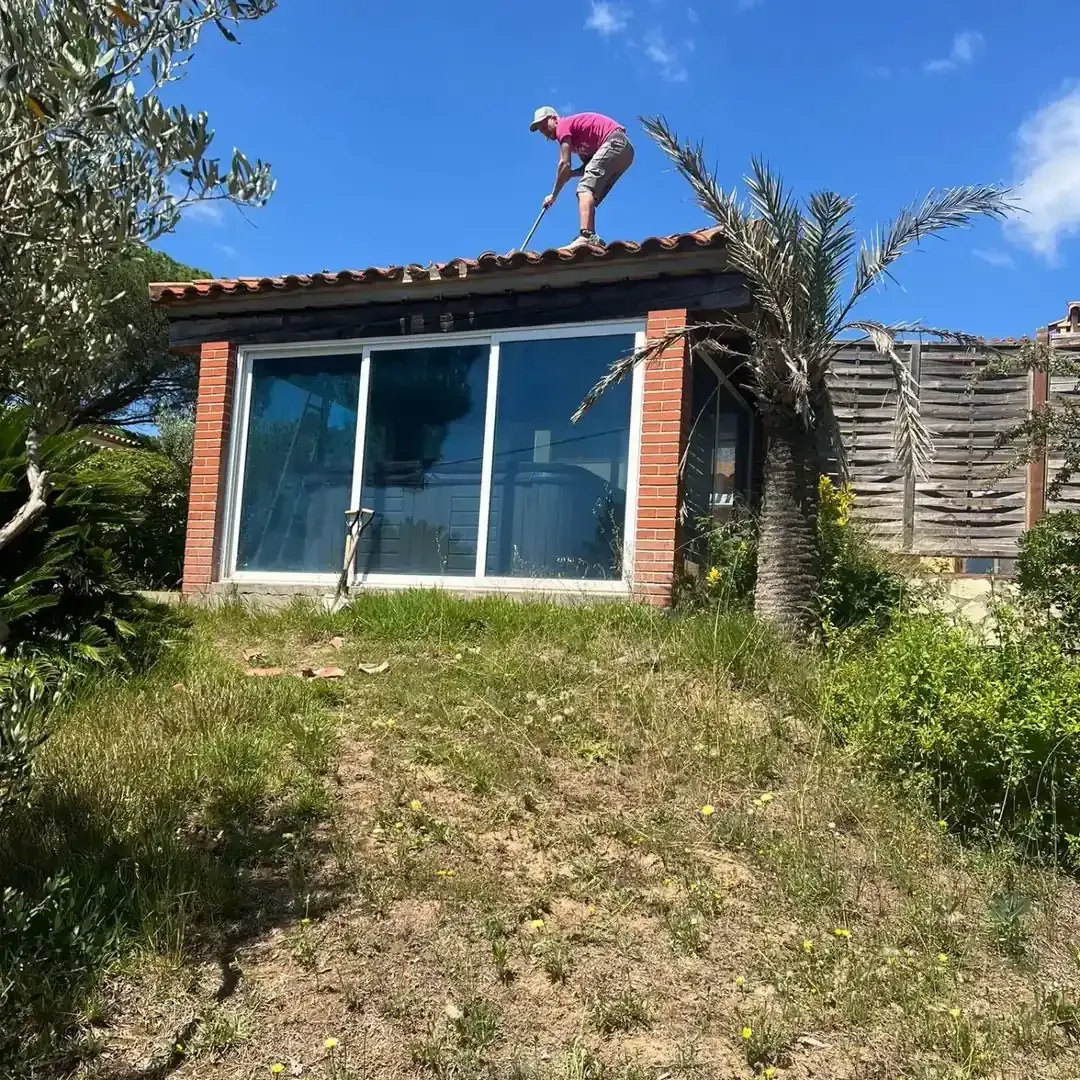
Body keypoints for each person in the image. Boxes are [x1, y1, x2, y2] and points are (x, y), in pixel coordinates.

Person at [529, 107, 634, 250]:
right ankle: (593, 239)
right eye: (540, 130)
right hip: (624, 152)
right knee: (590, 196)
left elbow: (564, 164)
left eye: (543, 125)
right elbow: (588, 167)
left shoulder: (563, 126)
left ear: (554, 119)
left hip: (615, 142)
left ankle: (587, 236)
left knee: (584, 189)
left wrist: (553, 195)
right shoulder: (577, 143)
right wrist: (570, 174)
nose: (543, 131)